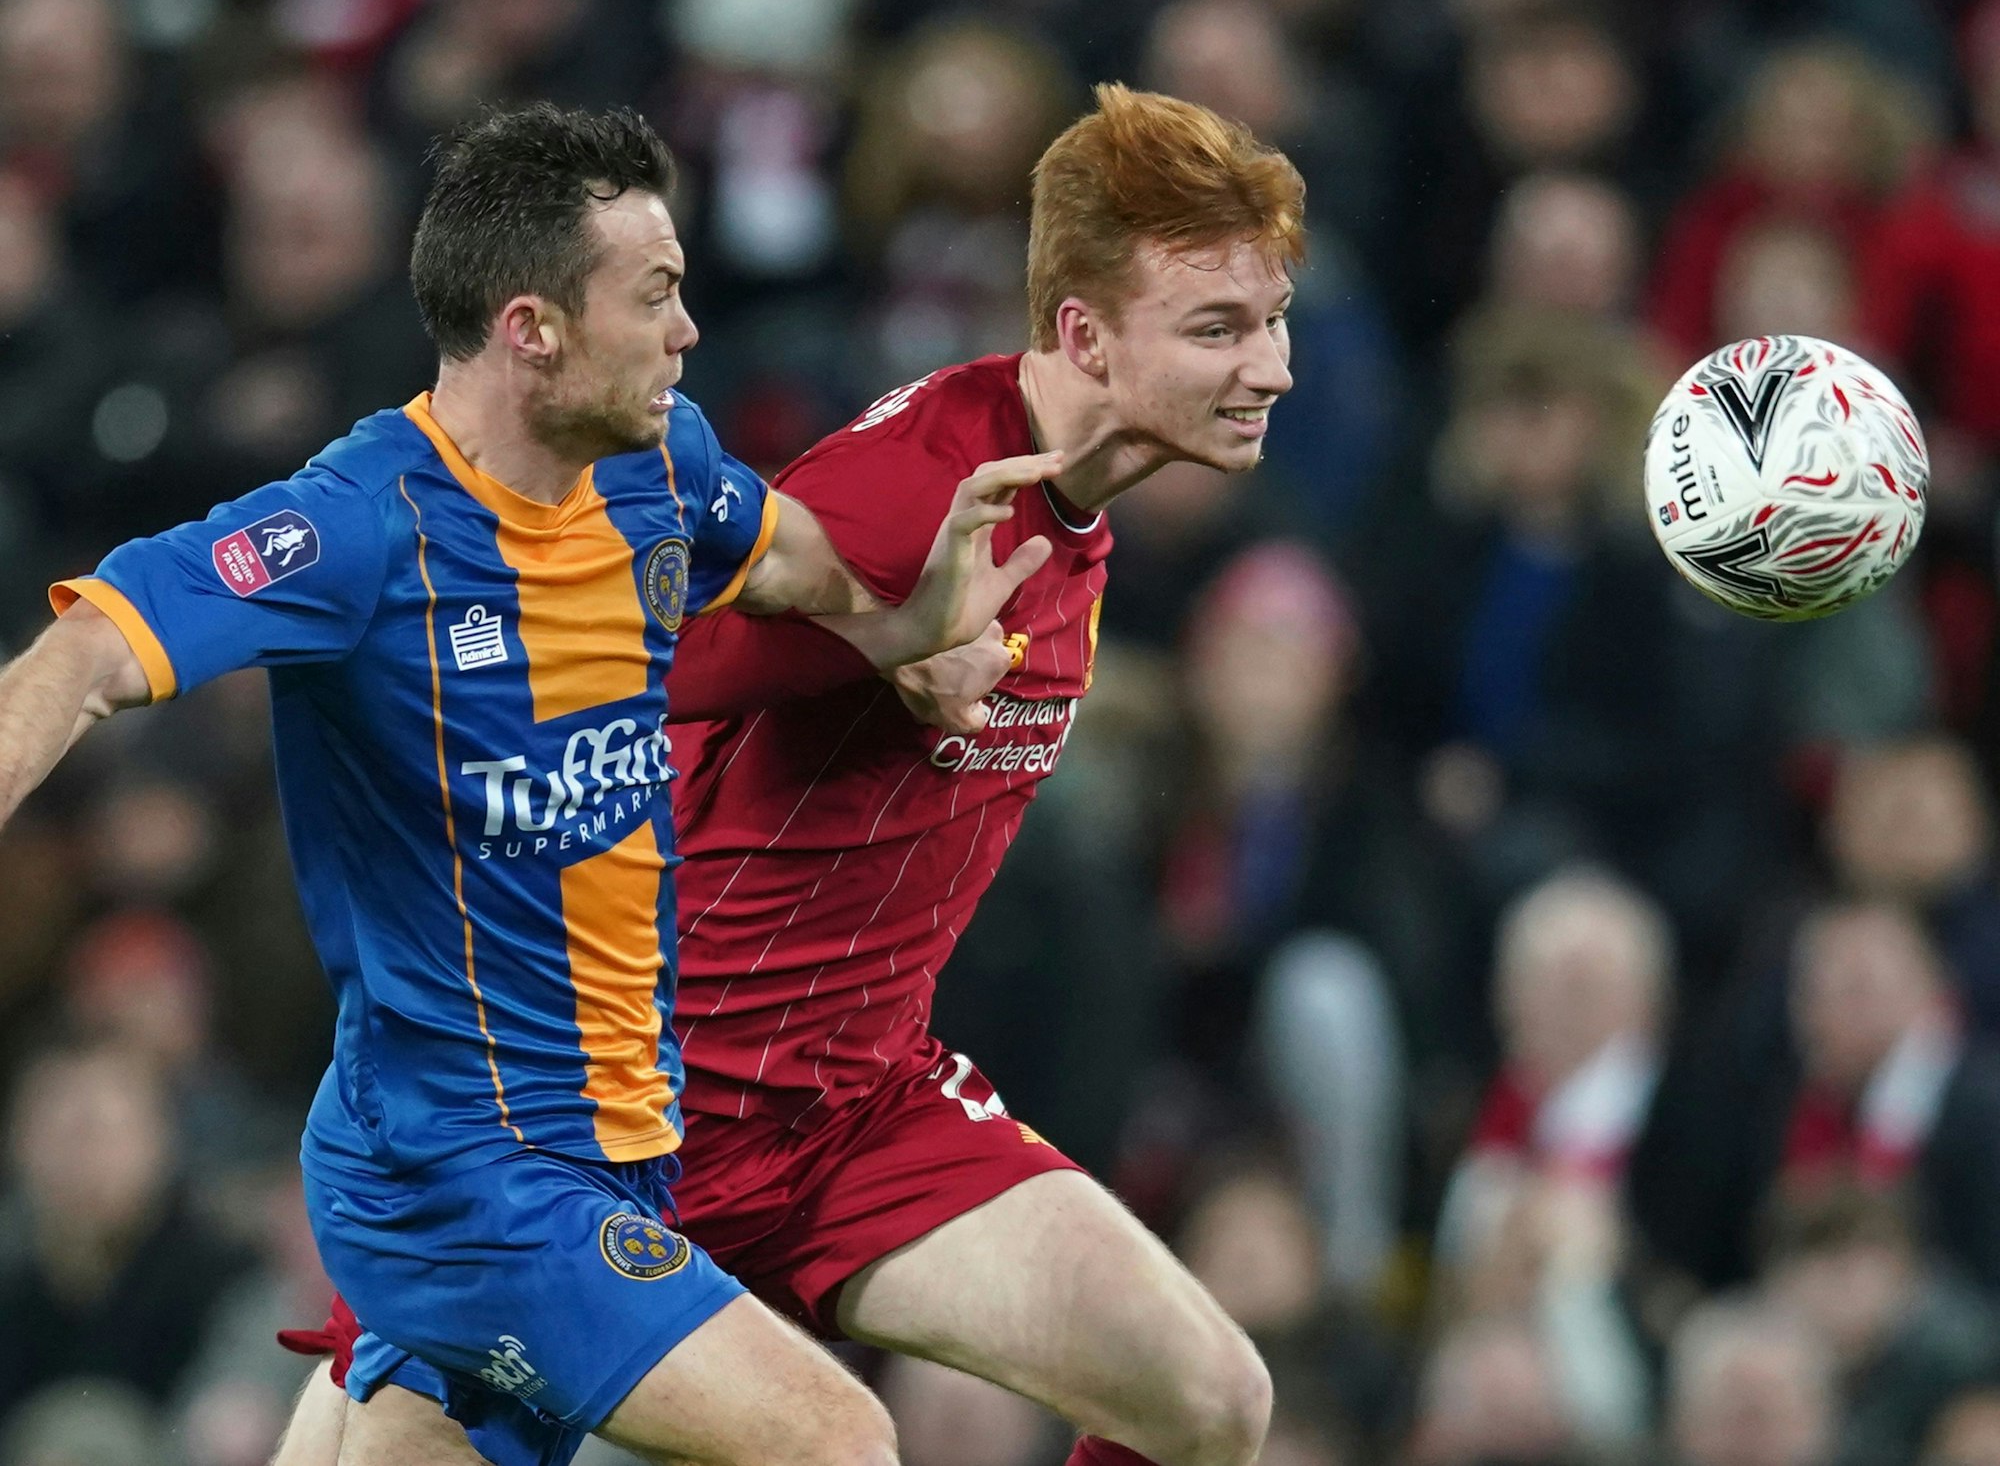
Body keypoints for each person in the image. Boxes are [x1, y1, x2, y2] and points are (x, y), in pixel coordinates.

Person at [0, 101, 1057, 1466]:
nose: (689, 332)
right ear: (532, 329)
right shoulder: (356, 527)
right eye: (658, 295)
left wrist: (921, 635)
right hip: (463, 1177)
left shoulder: (656, 469)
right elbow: (86, 651)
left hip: (610, 1142)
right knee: (834, 1442)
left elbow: (800, 568)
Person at [286, 84, 1299, 1466]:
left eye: (1274, 319)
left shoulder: (1067, 506)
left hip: (849, 1108)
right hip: (625, 1122)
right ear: (1083, 334)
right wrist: (877, 638)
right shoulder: (913, 498)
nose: (1272, 368)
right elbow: (619, 666)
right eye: (1219, 330)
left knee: (1207, 1401)